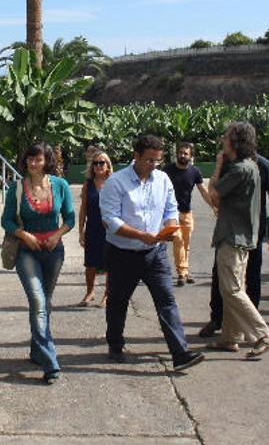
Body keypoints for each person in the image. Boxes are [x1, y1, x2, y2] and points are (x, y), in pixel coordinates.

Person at [100, 134, 205, 372]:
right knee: (118, 302)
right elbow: (110, 221)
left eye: (157, 161)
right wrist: (139, 235)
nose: (153, 165)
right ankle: (115, 344)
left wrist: (169, 227)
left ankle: (180, 354)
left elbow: (171, 209)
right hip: (122, 254)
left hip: (155, 253)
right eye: (149, 160)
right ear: (136, 156)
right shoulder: (116, 183)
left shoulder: (163, 180)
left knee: (167, 301)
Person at [1, 142, 75, 384]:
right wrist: (24, 235)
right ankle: (50, 361)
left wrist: (57, 235)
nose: (34, 164)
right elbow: (7, 221)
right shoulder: (16, 187)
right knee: (37, 300)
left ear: (47, 161)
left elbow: (71, 217)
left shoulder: (60, 185)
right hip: (26, 252)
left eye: (39, 160)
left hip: (54, 251)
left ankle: (36, 349)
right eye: (30, 159)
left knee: (45, 301)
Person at [205, 122, 269, 357]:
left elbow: (213, 196)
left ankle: (264, 334)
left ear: (235, 141)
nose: (222, 140)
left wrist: (218, 166)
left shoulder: (239, 169)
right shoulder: (251, 166)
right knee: (232, 288)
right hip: (243, 237)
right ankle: (230, 338)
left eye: (226, 137)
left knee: (232, 289)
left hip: (233, 237)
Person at [162, 142, 216, 287]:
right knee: (178, 240)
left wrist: (213, 206)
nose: (182, 155)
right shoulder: (167, 170)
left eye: (186, 153)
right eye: (180, 152)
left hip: (187, 213)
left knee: (186, 243)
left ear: (191, 156)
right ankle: (182, 273)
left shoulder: (195, 172)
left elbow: (203, 191)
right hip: (171, 214)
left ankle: (185, 271)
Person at [77, 150, 113, 307]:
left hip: (110, 228)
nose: (98, 166)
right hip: (92, 227)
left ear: (108, 165)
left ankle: (107, 295)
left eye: (102, 163)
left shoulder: (114, 182)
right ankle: (90, 292)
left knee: (109, 263)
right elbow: (83, 209)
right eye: (96, 163)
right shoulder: (88, 184)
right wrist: (81, 231)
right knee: (90, 264)